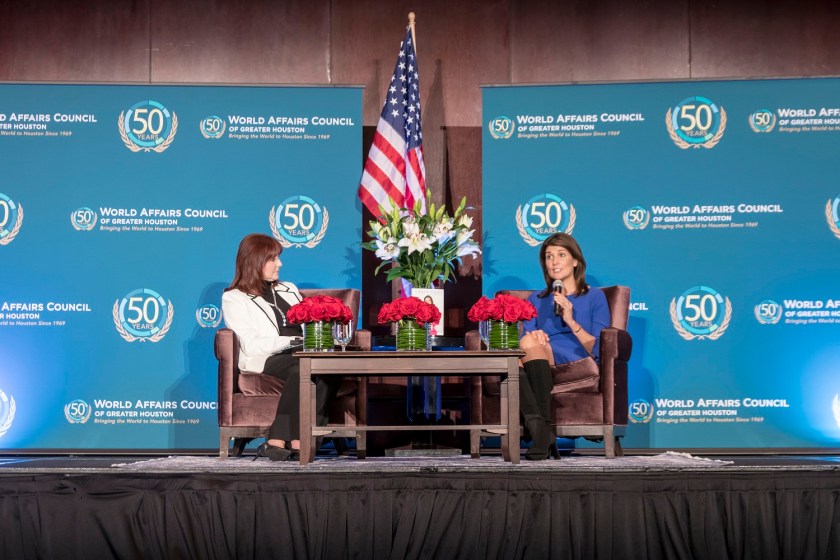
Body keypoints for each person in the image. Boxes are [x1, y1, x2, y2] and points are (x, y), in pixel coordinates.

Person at [221, 233, 337, 461]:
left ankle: (287, 439)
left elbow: (307, 323)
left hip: (304, 352)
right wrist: (293, 342)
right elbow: (251, 343)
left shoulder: (288, 289)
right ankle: (296, 439)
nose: (279, 264)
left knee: (327, 367)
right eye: (273, 259)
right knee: (303, 368)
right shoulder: (234, 298)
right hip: (268, 356)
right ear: (255, 261)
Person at [519, 232, 611, 460]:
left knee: (521, 353)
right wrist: (535, 333)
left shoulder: (594, 297)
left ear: (575, 261)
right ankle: (543, 431)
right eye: (549, 257)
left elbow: (597, 346)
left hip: (578, 356)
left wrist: (570, 319)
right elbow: (525, 338)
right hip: (540, 354)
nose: (554, 262)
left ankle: (541, 432)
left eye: (561, 255)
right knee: (522, 347)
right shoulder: (536, 299)